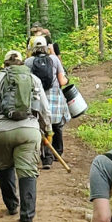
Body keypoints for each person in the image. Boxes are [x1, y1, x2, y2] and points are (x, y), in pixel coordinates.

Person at [0, 50, 52, 222]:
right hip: (28, 131)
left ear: (5, 64)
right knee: (28, 171)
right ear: (22, 63)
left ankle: (12, 206)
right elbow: (44, 109)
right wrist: (48, 130)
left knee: (4, 167)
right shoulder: (33, 79)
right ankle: (27, 217)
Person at [26, 36, 68, 170]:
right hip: (55, 98)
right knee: (57, 125)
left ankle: (46, 158)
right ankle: (58, 152)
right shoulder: (54, 59)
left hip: (37, 99)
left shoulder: (28, 62)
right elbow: (62, 82)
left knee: (42, 127)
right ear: (47, 47)